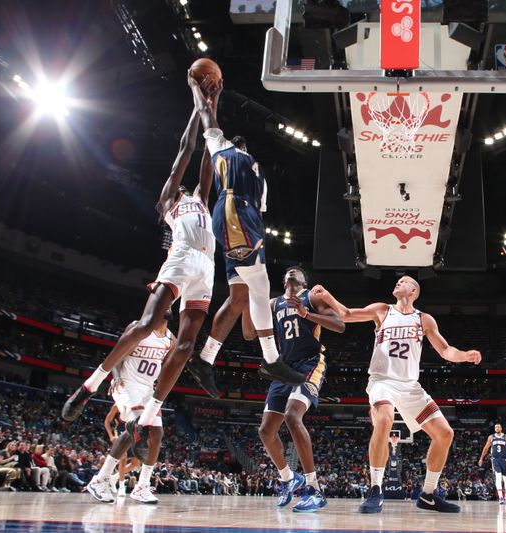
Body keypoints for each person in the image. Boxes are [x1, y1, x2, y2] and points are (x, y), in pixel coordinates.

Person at [62, 101, 214, 432]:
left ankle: (151, 411)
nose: (186, 185)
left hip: (207, 266)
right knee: (147, 324)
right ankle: (91, 384)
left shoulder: (201, 199)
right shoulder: (169, 201)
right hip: (184, 256)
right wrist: (194, 110)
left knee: (186, 347)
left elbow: (208, 157)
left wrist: (211, 106)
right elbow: (187, 151)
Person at [312, 276, 482, 514]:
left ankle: (429, 495)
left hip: (410, 386)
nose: (397, 283)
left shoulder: (424, 319)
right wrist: (327, 295)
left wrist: (463, 355)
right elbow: (347, 314)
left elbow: (445, 350)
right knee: (384, 420)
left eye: (402, 281)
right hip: (383, 380)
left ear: (413, 290)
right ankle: (375, 490)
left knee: (445, 433)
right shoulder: (383, 310)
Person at [183, 71, 305, 398]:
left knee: (239, 297)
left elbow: (209, 118)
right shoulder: (231, 153)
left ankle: (205, 360)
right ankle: (271, 358)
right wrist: (200, 89)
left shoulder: (240, 159)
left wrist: (208, 96)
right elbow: (208, 116)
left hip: (240, 217)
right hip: (237, 212)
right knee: (261, 286)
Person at [258, 266, 344, 512]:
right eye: (288, 270)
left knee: (292, 416)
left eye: (297, 271)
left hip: (310, 361)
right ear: (283, 279)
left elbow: (339, 325)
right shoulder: (274, 303)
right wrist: (248, 299)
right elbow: (248, 332)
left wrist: (306, 314)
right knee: (265, 431)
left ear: (304, 280)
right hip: (284, 367)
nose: (292, 272)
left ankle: (314, 489)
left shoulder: (312, 296)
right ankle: (287, 478)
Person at [86, 310, 173, 504]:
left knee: (156, 433)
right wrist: (115, 377)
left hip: (148, 389)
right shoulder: (137, 326)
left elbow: (169, 364)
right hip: (126, 383)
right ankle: (101, 480)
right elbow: (117, 352)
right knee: (138, 426)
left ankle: (140, 486)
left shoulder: (170, 338)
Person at [478, 423, 506, 504]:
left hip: (504, 460)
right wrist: (481, 458)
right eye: (495, 427)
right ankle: (500, 496)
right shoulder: (491, 437)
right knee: (498, 477)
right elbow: (486, 448)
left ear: (501, 428)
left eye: (498, 427)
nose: (497, 428)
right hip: (495, 459)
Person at [104, 404, 140, 496]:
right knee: (123, 457)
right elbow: (107, 422)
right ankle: (121, 486)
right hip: (119, 431)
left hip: (132, 431)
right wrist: (111, 436)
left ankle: (114, 478)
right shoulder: (117, 405)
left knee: (136, 463)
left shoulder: (134, 402)